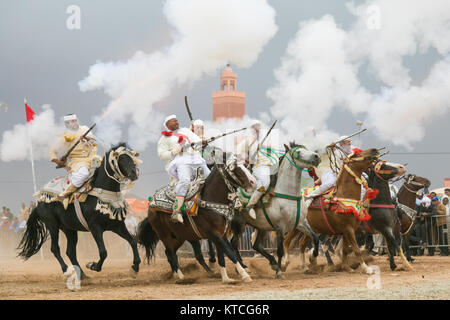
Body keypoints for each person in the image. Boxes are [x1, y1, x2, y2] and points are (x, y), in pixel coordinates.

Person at [157, 114, 210, 223]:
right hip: (181, 161)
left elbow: (196, 142)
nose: (176, 122)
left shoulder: (186, 130)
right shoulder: (164, 138)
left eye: (177, 120)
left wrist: (202, 143)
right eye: (173, 121)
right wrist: (173, 152)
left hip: (196, 159)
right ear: (167, 125)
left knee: (210, 177)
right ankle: (176, 211)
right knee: (184, 181)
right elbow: (162, 155)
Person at [49, 114, 98, 206]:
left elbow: (94, 140)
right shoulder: (64, 136)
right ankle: (66, 193)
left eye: (75, 120)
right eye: (72, 121)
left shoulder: (84, 129)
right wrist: (57, 161)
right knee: (84, 173)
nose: (75, 123)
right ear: (66, 124)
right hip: (77, 161)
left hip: (92, 157)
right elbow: (53, 151)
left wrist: (86, 138)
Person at [236, 120, 278, 220]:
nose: (257, 128)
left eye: (259, 126)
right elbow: (237, 153)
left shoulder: (266, 140)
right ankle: (251, 205)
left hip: (271, 166)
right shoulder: (248, 141)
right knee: (264, 183)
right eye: (255, 127)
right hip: (259, 167)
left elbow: (273, 153)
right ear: (252, 129)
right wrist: (248, 159)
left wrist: (266, 148)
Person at [304, 136, 359, 206]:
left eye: (350, 143)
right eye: (348, 143)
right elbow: (318, 152)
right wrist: (329, 147)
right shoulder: (331, 150)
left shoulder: (350, 151)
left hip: (343, 174)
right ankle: (310, 196)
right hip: (329, 172)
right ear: (342, 143)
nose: (350, 144)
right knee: (331, 182)